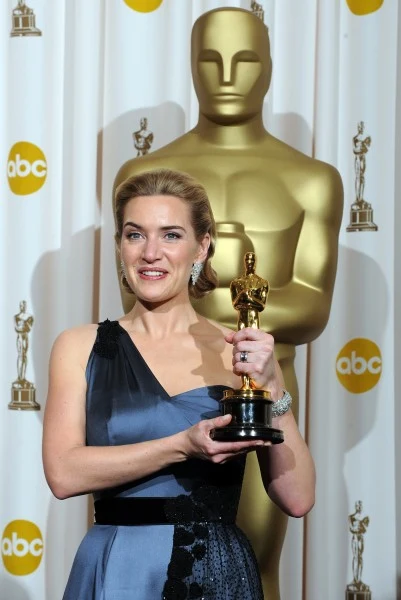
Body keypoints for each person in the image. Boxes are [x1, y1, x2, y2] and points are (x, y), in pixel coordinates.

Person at [113, 9, 342, 596]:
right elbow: (138, 294)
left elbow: (312, 309)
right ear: (191, 67)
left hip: (262, 392)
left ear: (269, 67)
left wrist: (214, 294)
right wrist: (230, 289)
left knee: (253, 565)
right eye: (211, 61)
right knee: (142, 549)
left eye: (245, 60)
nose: (227, 76)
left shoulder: (311, 179)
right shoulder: (145, 174)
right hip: (158, 388)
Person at [43, 168, 315, 599]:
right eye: (135, 235)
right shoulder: (81, 346)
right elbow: (62, 474)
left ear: (201, 247)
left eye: (170, 235)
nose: (151, 253)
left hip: (213, 572)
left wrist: (274, 391)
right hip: (115, 567)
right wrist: (182, 445)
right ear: (120, 246)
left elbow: (297, 499)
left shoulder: (238, 352)